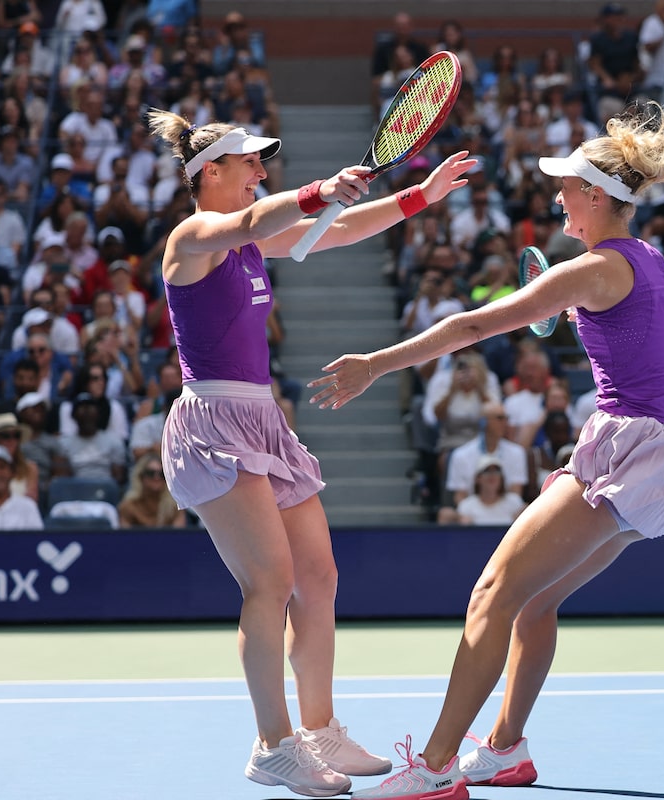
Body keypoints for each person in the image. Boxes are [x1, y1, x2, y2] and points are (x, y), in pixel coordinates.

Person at [309, 103, 664, 799]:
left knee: (492, 592)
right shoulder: (643, 261)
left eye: (567, 187)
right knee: (535, 601)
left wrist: (374, 363)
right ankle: (503, 749)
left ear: (599, 197)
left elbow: (471, 323)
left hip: (629, 448)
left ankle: (432, 769)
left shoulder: (591, 270)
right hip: (661, 449)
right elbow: (637, 344)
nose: (557, 197)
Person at [145, 106, 475, 797]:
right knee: (268, 583)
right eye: (249, 163)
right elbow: (247, 222)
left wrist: (420, 196)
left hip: (265, 419)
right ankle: (273, 745)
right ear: (209, 173)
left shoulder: (254, 243)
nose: (261, 172)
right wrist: (318, 190)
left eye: (263, 163)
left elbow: (344, 227)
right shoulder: (195, 235)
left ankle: (319, 729)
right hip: (214, 425)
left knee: (317, 576)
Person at [436, 454, 526, 526]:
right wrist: (458, 519)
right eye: (487, 471)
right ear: (477, 478)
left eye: (497, 471)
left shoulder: (514, 502)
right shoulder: (467, 506)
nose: (492, 475)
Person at [117, 453, 185, 528]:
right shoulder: (128, 506)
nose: (156, 478)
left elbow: (178, 537)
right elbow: (125, 537)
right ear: (141, 477)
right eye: (151, 473)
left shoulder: (175, 506)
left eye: (161, 474)